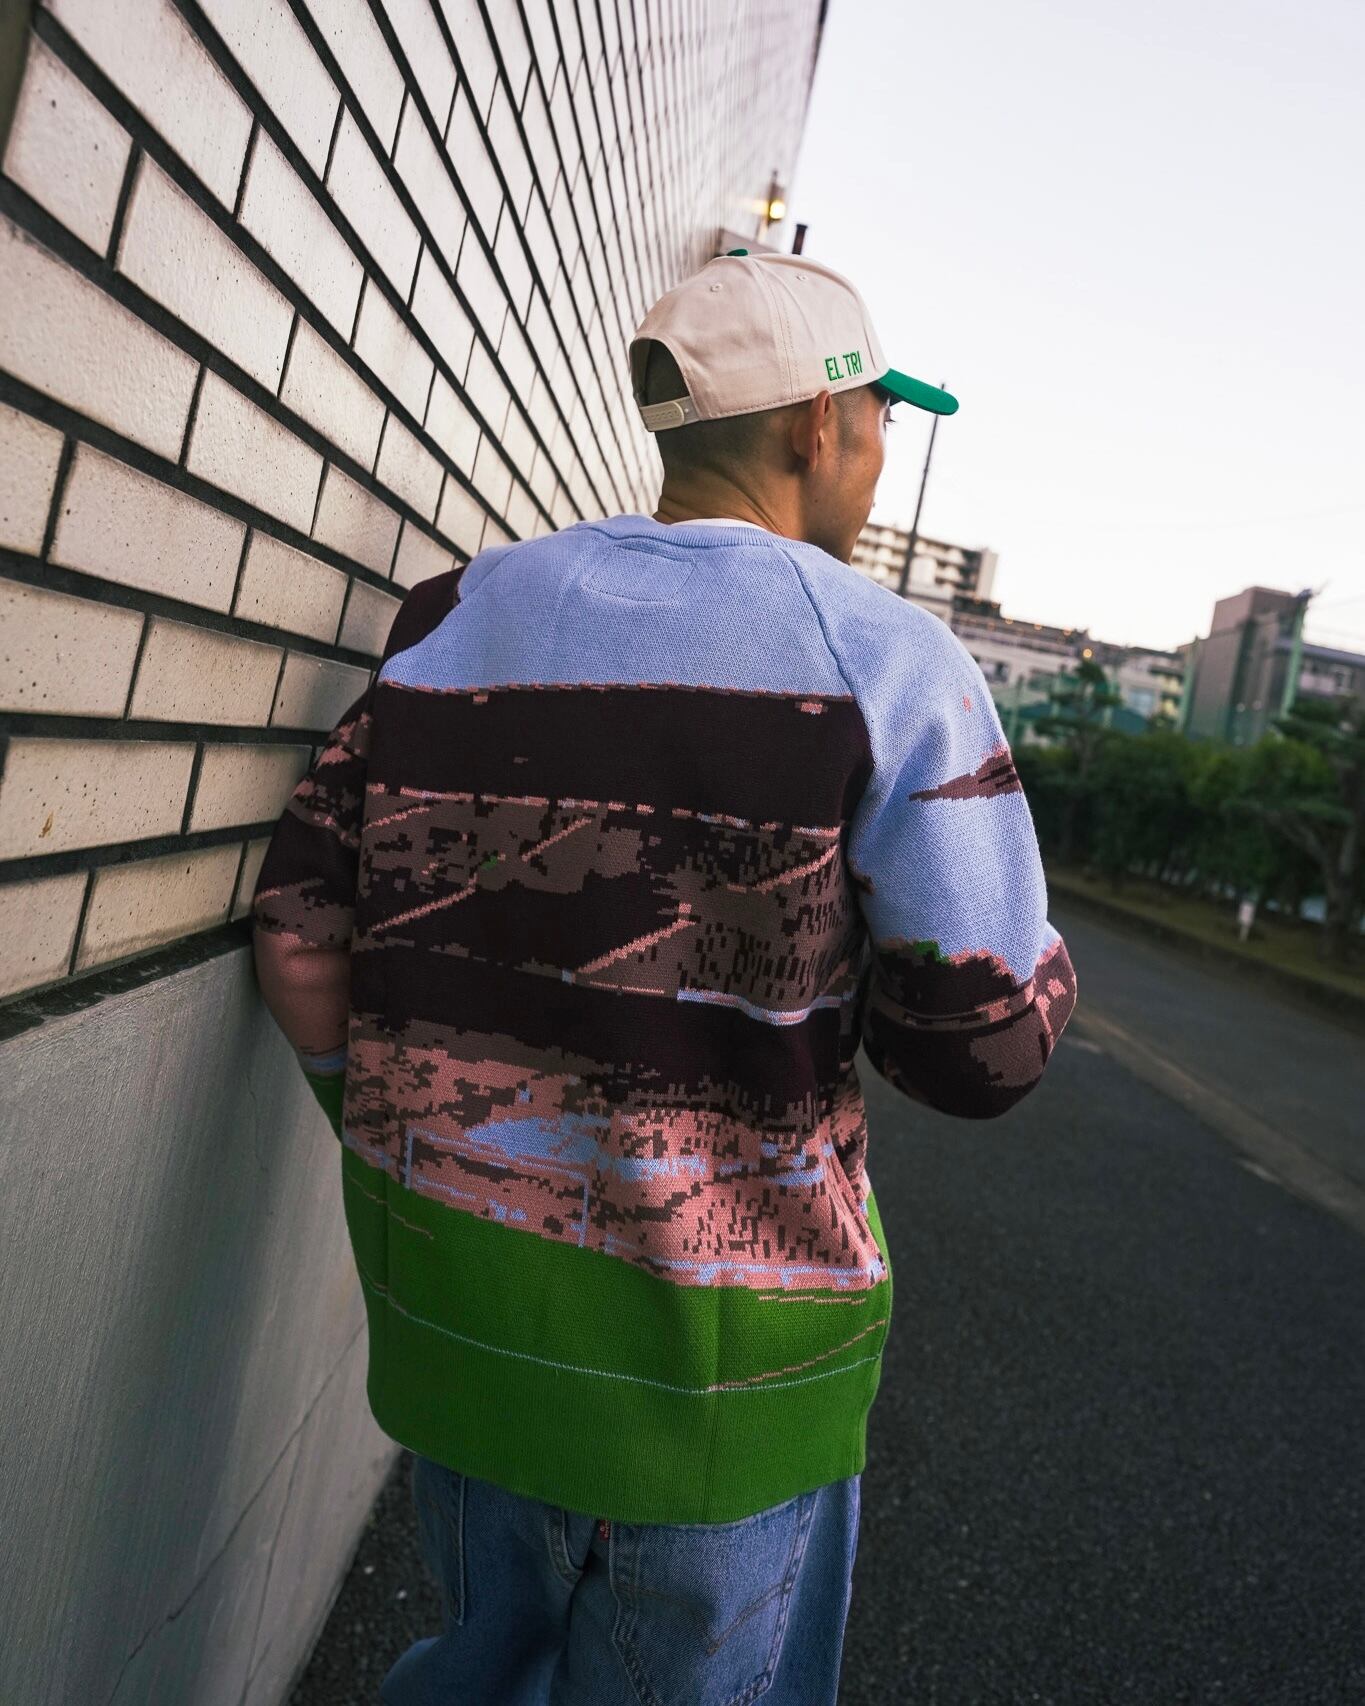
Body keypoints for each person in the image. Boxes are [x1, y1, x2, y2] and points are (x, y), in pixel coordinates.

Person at [252, 250, 1077, 1705]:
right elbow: (981, 1048)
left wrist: (400, 1132)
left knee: (478, 1661)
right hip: (723, 1370)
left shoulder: (454, 613)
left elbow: (302, 935)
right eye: (880, 418)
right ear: (817, 425)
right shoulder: (887, 661)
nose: (880, 450)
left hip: (461, 1318)